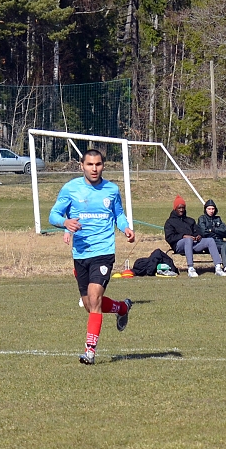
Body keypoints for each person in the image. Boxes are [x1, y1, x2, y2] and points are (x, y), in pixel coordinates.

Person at [48, 148, 134, 365]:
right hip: (81, 253)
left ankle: (90, 352)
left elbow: (118, 215)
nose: (94, 168)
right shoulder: (71, 189)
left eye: (98, 164)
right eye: (90, 164)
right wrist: (65, 223)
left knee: (94, 300)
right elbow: (53, 215)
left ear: (103, 165)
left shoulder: (112, 190)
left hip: (103, 252)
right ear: (82, 166)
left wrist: (125, 228)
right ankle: (121, 308)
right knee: (89, 304)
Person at [164, 195, 226, 277]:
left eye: (183, 208)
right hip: (179, 246)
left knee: (210, 240)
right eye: (179, 208)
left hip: (193, 244)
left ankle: (218, 267)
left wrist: (198, 236)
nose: (182, 210)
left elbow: (197, 231)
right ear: (175, 208)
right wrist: (183, 236)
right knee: (188, 240)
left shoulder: (190, 220)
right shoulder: (170, 222)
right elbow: (169, 238)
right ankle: (191, 268)